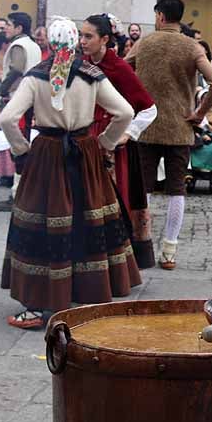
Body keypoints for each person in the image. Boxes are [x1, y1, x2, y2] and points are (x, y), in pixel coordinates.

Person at [0, 17, 140, 330]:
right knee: (86, 219)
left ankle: (39, 303)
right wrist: (104, 143)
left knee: (45, 222)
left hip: (47, 154)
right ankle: (84, 296)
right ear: (76, 42)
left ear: (49, 43)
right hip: (84, 151)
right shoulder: (92, 74)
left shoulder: (36, 76)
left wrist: (22, 151)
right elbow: (125, 113)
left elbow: (8, 118)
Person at [128, 0, 212, 270]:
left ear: (159, 15)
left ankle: (139, 245)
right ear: (180, 18)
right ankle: (169, 251)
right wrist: (200, 113)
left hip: (146, 127)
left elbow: (122, 69)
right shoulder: (192, 46)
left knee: (142, 188)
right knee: (176, 189)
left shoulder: (145, 42)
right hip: (180, 127)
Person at [80, 14, 159, 269]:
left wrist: (127, 133)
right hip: (84, 140)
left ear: (104, 39)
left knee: (113, 202)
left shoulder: (120, 68)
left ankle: (117, 263)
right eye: (81, 35)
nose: (83, 41)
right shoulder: (79, 64)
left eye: (88, 36)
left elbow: (149, 109)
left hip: (114, 146)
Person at [1, 13, 42, 99]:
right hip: (31, 93)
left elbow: (16, 70)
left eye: (8, 25)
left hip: (17, 95)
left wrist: (3, 89)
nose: (5, 28)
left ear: (19, 28)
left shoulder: (19, 45)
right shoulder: (34, 45)